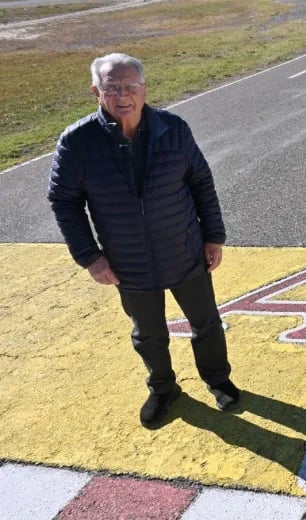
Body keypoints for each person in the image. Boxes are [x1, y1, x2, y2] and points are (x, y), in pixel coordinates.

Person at [48, 53, 240, 428]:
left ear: (144, 88)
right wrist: (89, 257)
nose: (123, 95)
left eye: (130, 86)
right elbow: (63, 201)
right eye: (112, 87)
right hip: (128, 262)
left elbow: (201, 182)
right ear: (96, 91)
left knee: (206, 323)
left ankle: (218, 379)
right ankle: (163, 388)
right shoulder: (77, 142)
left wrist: (213, 236)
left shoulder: (174, 129)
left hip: (185, 250)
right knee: (148, 334)